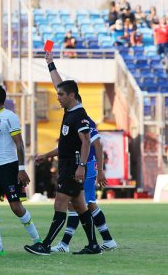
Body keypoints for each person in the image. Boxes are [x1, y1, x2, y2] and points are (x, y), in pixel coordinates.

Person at [24, 52, 101, 255]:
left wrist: (81, 166)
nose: (57, 97)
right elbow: (66, 146)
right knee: (79, 205)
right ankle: (93, 245)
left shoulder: (80, 116)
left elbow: (86, 143)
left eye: (60, 95)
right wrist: (50, 64)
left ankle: (46, 244)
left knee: (60, 202)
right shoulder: (70, 112)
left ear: (72, 96)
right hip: (68, 163)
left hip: (73, 166)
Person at [0, 85, 41, 256]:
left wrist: (21, 168)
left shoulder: (10, 117)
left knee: (16, 207)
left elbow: (19, 144)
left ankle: (37, 240)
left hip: (9, 168)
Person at [50, 95, 118, 253]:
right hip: (82, 166)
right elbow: (65, 148)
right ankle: (108, 239)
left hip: (85, 166)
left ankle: (64, 244)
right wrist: (47, 155)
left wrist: (100, 170)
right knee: (89, 204)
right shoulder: (73, 119)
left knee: (75, 204)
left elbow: (97, 145)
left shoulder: (84, 120)